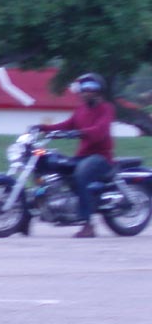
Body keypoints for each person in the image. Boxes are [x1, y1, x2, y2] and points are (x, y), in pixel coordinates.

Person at [37, 72, 115, 238]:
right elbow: (67, 125)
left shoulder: (106, 109)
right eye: (83, 87)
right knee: (53, 165)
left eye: (91, 87)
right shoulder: (81, 110)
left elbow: (99, 131)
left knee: (81, 173)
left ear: (99, 90)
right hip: (82, 156)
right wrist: (43, 128)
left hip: (100, 157)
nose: (86, 91)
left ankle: (88, 225)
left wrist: (79, 132)